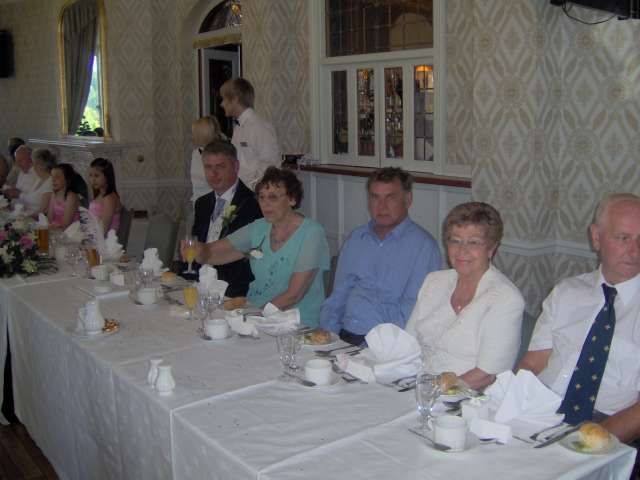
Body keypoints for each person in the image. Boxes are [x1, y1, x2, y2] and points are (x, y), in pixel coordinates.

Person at [518, 193, 640, 442]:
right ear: (596, 237)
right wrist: (510, 407)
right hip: (543, 412)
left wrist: (591, 442)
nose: (635, 251)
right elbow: (532, 364)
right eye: (623, 238)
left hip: (605, 426)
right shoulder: (567, 292)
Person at [184, 167, 330, 328]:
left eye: (273, 197)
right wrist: (198, 250)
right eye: (261, 197)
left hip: (295, 322)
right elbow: (214, 253)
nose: (265, 204)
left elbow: (294, 295)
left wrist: (255, 316)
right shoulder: (259, 228)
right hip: (255, 313)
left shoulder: (312, 233)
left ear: (292, 199)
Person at [405, 202, 525, 390]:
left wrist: (431, 391)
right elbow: (407, 344)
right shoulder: (434, 281)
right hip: (415, 386)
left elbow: (486, 376)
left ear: (491, 249)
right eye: (455, 241)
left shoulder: (506, 298)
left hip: (466, 397)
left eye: (474, 242)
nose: (462, 250)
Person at [319, 167, 442, 346]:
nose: (381, 206)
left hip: (385, 346)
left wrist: (370, 350)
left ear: (408, 200)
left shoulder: (424, 247)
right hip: (342, 338)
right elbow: (337, 298)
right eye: (375, 197)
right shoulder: (356, 238)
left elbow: (411, 315)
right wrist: (328, 338)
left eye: (390, 198)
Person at [191, 140, 262, 297]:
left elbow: (254, 255)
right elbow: (196, 245)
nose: (213, 173)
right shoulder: (202, 204)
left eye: (220, 167)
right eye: (208, 167)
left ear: (236, 166)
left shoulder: (254, 204)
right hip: (200, 285)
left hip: (234, 290)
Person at [220, 78, 281, 189]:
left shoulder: (260, 127)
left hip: (254, 194)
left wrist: (253, 189)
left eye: (224, 99)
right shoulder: (238, 128)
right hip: (239, 191)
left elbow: (270, 165)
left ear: (235, 99)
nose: (222, 104)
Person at [190, 116, 224, 203]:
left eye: (195, 133)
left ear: (203, 135)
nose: (192, 137)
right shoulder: (196, 153)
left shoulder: (221, 154)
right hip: (197, 200)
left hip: (215, 201)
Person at [89, 157, 121, 234]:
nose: (93, 179)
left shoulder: (109, 198)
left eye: (96, 176)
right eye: (90, 175)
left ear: (107, 177)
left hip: (105, 238)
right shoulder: (100, 195)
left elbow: (103, 229)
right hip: (94, 234)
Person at [47, 163, 85, 229]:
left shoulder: (72, 197)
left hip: (69, 232)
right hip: (55, 229)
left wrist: (50, 228)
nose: (53, 180)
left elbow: (65, 225)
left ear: (67, 179)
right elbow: (49, 219)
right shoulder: (54, 194)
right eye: (52, 177)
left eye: (57, 177)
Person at [21, 148, 55, 215]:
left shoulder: (50, 182)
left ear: (39, 165)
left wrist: (26, 216)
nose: (32, 166)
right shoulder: (39, 179)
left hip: (36, 219)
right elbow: (29, 199)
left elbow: (43, 211)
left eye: (33, 163)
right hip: (27, 214)